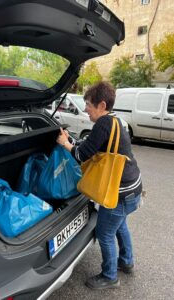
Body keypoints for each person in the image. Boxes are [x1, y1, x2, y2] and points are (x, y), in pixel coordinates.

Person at [57, 81, 142, 290]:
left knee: (104, 232)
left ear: (102, 105)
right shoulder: (115, 121)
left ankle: (110, 276)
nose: (85, 109)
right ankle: (126, 261)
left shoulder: (102, 124)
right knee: (120, 225)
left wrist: (65, 144)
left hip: (118, 193)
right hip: (133, 189)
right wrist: (73, 141)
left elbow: (82, 155)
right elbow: (92, 147)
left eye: (88, 104)